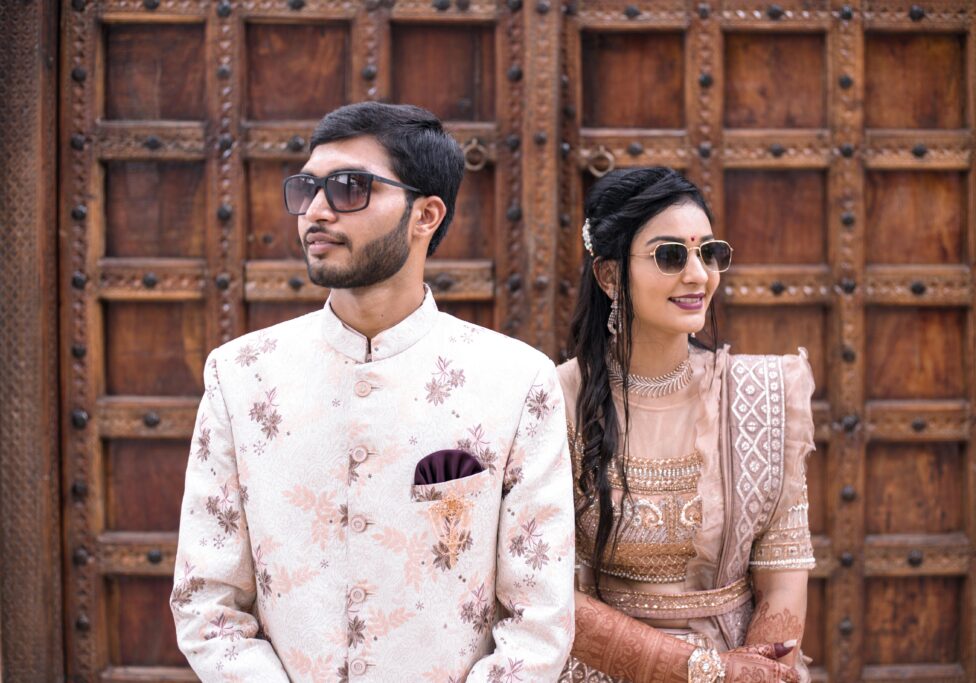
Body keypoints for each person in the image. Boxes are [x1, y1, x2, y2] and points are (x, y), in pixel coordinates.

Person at [170, 102, 575, 682]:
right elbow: (205, 602)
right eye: (307, 188)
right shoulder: (241, 375)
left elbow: (539, 618)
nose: (315, 210)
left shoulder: (515, 381)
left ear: (425, 215)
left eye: (348, 188)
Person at [557, 168, 815, 682]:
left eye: (709, 252)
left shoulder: (762, 393)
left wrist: (750, 676)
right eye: (671, 255)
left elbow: (783, 578)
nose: (698, 275)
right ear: (609, 276)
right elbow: (542, 586)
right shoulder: (555, 399)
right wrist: (705, 672)